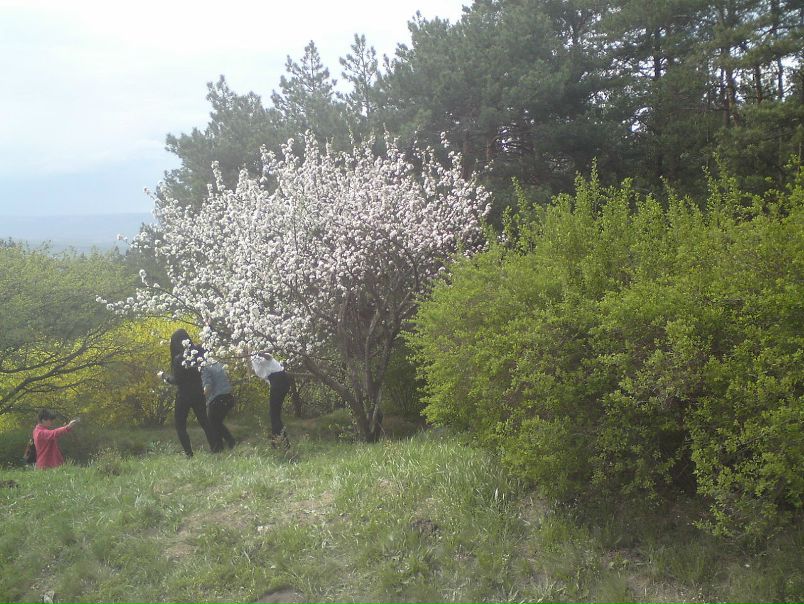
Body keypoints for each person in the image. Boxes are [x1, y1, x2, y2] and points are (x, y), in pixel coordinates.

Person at [158, 329, 213, 457]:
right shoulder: (198, 352)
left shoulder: (178, 359)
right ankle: (216, 448)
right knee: (205, 422)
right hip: (199, 393)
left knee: (180, 425)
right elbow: (208, 344)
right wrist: (209, 327)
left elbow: (177, 380)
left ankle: (189, 454)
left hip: (184, 396)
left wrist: (164, 376)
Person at [250, 349, 290, 448]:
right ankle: (277, 442)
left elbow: (269, 357)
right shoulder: (253, 360)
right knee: (274, 415)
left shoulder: (257, 356)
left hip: (278, 381)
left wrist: (262, 354)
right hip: (279, 381)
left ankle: (282, 444)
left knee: (274, 415)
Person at [200, 356, 236, 453]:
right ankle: (226, 444)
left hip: (218, 399)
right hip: (228, 397)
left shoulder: (204, 367)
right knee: (216, 423)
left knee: (212, 424)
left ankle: (221, 447)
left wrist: (201, 398)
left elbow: (208, 386)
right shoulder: (216, 363)